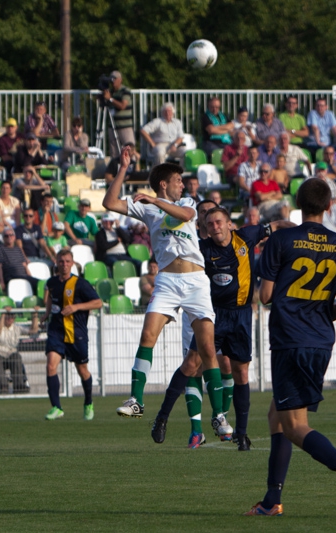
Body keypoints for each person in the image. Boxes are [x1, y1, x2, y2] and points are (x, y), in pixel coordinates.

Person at [244, 178, 336, 517]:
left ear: (298, 205)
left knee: (294, 425)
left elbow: (265, 296)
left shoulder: (282, 239)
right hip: (321, 337)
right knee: (277, 415)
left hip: (290, 338)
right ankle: (271, 500)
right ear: (329, 206)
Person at [103, 149, 231, 436]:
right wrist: (123, 168)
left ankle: (219, 416)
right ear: (164, 183)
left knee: (207, 349)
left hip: (196, 281)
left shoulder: (186, 202)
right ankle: (136, 401)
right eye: (177, 180)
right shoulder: (148, 208)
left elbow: (186, 215)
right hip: (167, 281)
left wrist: (155, 200)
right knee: (148, 335)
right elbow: (109, 202)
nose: (182, 185)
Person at [152, 207, 292, 450]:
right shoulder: (201, 249)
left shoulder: (247, 236)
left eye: (218, 222)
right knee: (191, 364)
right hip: (212, 314)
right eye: (209, 224)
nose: (214, 227)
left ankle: (242, 434)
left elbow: (278, 225)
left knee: (241, 373)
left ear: (229, 224)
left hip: (241, 315)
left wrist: (303, 233)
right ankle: (162, 418)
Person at [41, 249, 103, 420]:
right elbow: (50, 298)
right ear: (56, 263)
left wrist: (76, 307)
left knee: (82, 370)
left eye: (67, 261)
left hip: (76, 333)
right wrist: (46, 313)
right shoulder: (52, 282)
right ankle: (56, 407)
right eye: (61, 261)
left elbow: (98, 303)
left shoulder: (80, 284)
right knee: (51, 366)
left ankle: (88, 402)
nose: (64, 265)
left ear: (72, 263)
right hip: (56, 330)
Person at [0, 305, 37, 394]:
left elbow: (33, 331)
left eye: (12, 316)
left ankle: (19, 385)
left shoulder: (16, 327)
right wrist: (3, 314)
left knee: (16, 356)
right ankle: (3, 386)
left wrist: (35, 315)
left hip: (8, 353)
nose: (10, 318)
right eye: (8, 316)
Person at [100, 72, 134, 158]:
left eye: (114, 79)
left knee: (129, 150)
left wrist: (110, 99)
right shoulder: (110, 92)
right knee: (114, 152)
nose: (112, 81)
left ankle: (132, 165)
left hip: (125, 126)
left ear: (120, 80)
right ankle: (116, 165)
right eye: (111, 79)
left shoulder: (125, 91)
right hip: (113, 125)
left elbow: (122, 106)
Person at [0, 228, 38, 293]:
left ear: (14, 237)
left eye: (11, 235)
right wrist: (1, 282)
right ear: (3, 238)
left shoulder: (18, 249)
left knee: (39, 283)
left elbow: (24, 265)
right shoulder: (0, 249)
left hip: (23, 276)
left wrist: (30, 276)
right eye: (6, 236)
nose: (9, 237)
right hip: (11, 276)